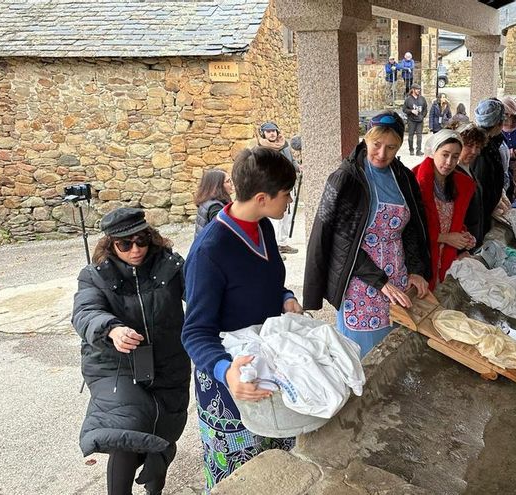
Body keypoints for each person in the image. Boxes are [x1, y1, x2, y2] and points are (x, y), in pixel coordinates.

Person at [182, 147, 300, 491]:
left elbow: (266, 281)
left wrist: (285, 297)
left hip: (266, 361)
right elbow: (195, 333)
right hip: (229, 378)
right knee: (241, 476)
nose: (290, 200)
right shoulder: (210, 251)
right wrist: (226, 371)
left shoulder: (263, 227)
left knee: (279, 466)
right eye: (286, 193)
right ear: (262, 197)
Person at [72, 207, 190, 495]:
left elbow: (202, 294)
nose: (135, 250)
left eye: (142, 241)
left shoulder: (171, 266)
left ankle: (154, 490)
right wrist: (112, 329)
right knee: (127, 431)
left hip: (168, 362)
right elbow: (85, 311)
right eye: (125, 244)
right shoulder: (94, 275)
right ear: (111, 244)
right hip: (116, 365)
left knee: (164, 434)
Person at [304, 111, 430, 357]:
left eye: (391, 147)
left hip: (398, 278)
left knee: (394, 351)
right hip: (359, 281)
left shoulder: (403, 177)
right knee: (362, 357)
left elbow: (413, 228)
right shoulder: (346, 179)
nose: (382, 154)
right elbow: (341, 242)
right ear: (365, 139)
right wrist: (379, 280)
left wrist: (416, 270)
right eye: (377, 145)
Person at [414, 130, 476, 288]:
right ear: (433, 152)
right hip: (421, 259)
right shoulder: (414, 181)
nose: (449, 162)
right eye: (445, 154)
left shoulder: (459, 184)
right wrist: (444, 237)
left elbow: (452, 219)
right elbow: (411, 228)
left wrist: (462, 235)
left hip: (445, 257)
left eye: (455, 156)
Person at [254, 121, 300, 254]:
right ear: (263, 134)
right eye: (268, 131)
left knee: (286, 216)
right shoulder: (260, 149)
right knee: (272, 217)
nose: (272, 133)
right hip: (271, 187)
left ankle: (282, 243)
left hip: (287, 186)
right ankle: (272, 247)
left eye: (274, 131)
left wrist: (298, 167)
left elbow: (291, 160)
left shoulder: (284, 145)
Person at [471, 98, 511, 238]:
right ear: (498, 124)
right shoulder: (482, 150)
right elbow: (481, 187)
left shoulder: (490, 144)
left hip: (486, 209)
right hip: (480, 214)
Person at [449, 121, 488, 247]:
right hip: (462, 243)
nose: (474, 151)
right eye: (469, 146)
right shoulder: (452, 174)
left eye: (477, 147)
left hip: (473, 237)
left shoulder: (468, 168)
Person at [194, 169, 233, 237]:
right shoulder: (215, 207)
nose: (231, 184)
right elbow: (222, 234)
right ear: (217, 186)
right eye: (228, 181)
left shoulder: (208, 201)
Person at [402, 83, 428, 156]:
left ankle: (418, 150)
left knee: (419, 136)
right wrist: (411, 111)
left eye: (419, 89)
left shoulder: (422, 99)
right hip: (411, 120)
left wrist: (422, 116)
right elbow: (404, 109)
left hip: (420, 121)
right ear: (413, 90)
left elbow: (425, 109)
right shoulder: (408, 99)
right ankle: (411, 150)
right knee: (411, 136)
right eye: (417, 89)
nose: (418, 90)